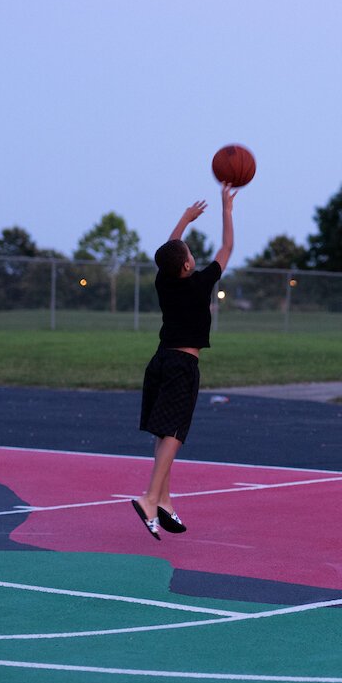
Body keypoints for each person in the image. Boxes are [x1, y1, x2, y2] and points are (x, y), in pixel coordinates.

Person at [131, 183, 236, 539]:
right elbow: (226, 248)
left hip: (159, 362)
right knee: (174, 433)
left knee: (163, 432)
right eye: (189, 253)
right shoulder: (199, 283)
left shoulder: (165, 281)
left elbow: (169, 252)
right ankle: (149, 497)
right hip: (181, 366)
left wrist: (184, 220)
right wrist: (226, 209)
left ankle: (163, 499)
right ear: (189, 264)